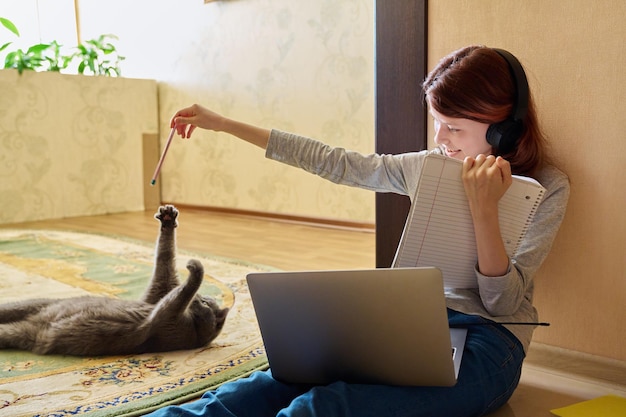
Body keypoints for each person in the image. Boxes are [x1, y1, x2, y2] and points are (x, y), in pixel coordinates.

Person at [147, 45, 569, 417]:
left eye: (454, 127)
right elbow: (336, 162)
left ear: (503, 127)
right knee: (259, 389)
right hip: (408, 325)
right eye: (437, 122)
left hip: (488, 345)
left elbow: (503, 301)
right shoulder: (430, 167)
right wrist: (223, 123)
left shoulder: (548, 187)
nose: (441, 138)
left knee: (326, 407)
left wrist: (485, 210)